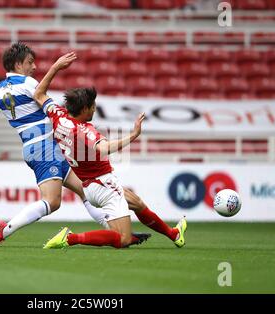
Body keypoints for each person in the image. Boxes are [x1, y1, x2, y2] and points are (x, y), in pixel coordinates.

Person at [0, 42, 148, 247]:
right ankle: (6, 228)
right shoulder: (28, 84)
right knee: (53, 201)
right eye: (30, 62)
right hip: (44, 147)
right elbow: (44, 98)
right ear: (18, 64)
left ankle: (117, 233)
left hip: (41, 146)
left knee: (86, 189)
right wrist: (56, 67)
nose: (34, 67)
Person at [33, 52, 187, 249]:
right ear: (84, 109)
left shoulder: (58, 115)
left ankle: (174, 235)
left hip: (90, 186)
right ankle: (70, 238)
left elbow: (39, 94)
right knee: (123, 239)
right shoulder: (83, 130)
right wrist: (133, 135)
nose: (95, 109)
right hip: (103, 184)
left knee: (137, 203)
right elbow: (104, 148)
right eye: (93, 106)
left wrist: (55, 67)